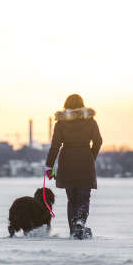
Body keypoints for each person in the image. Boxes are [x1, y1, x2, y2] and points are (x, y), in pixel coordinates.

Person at [44, 94, 103, 239]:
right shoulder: (90, 122)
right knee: (84, 197)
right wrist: (91, 157)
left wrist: (49, 166)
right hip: (85, 160)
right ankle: (80, 222)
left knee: (72, 199)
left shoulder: (61, 123)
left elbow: (55, 146)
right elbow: (98, 142)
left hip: (67, 161)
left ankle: (73, 231)